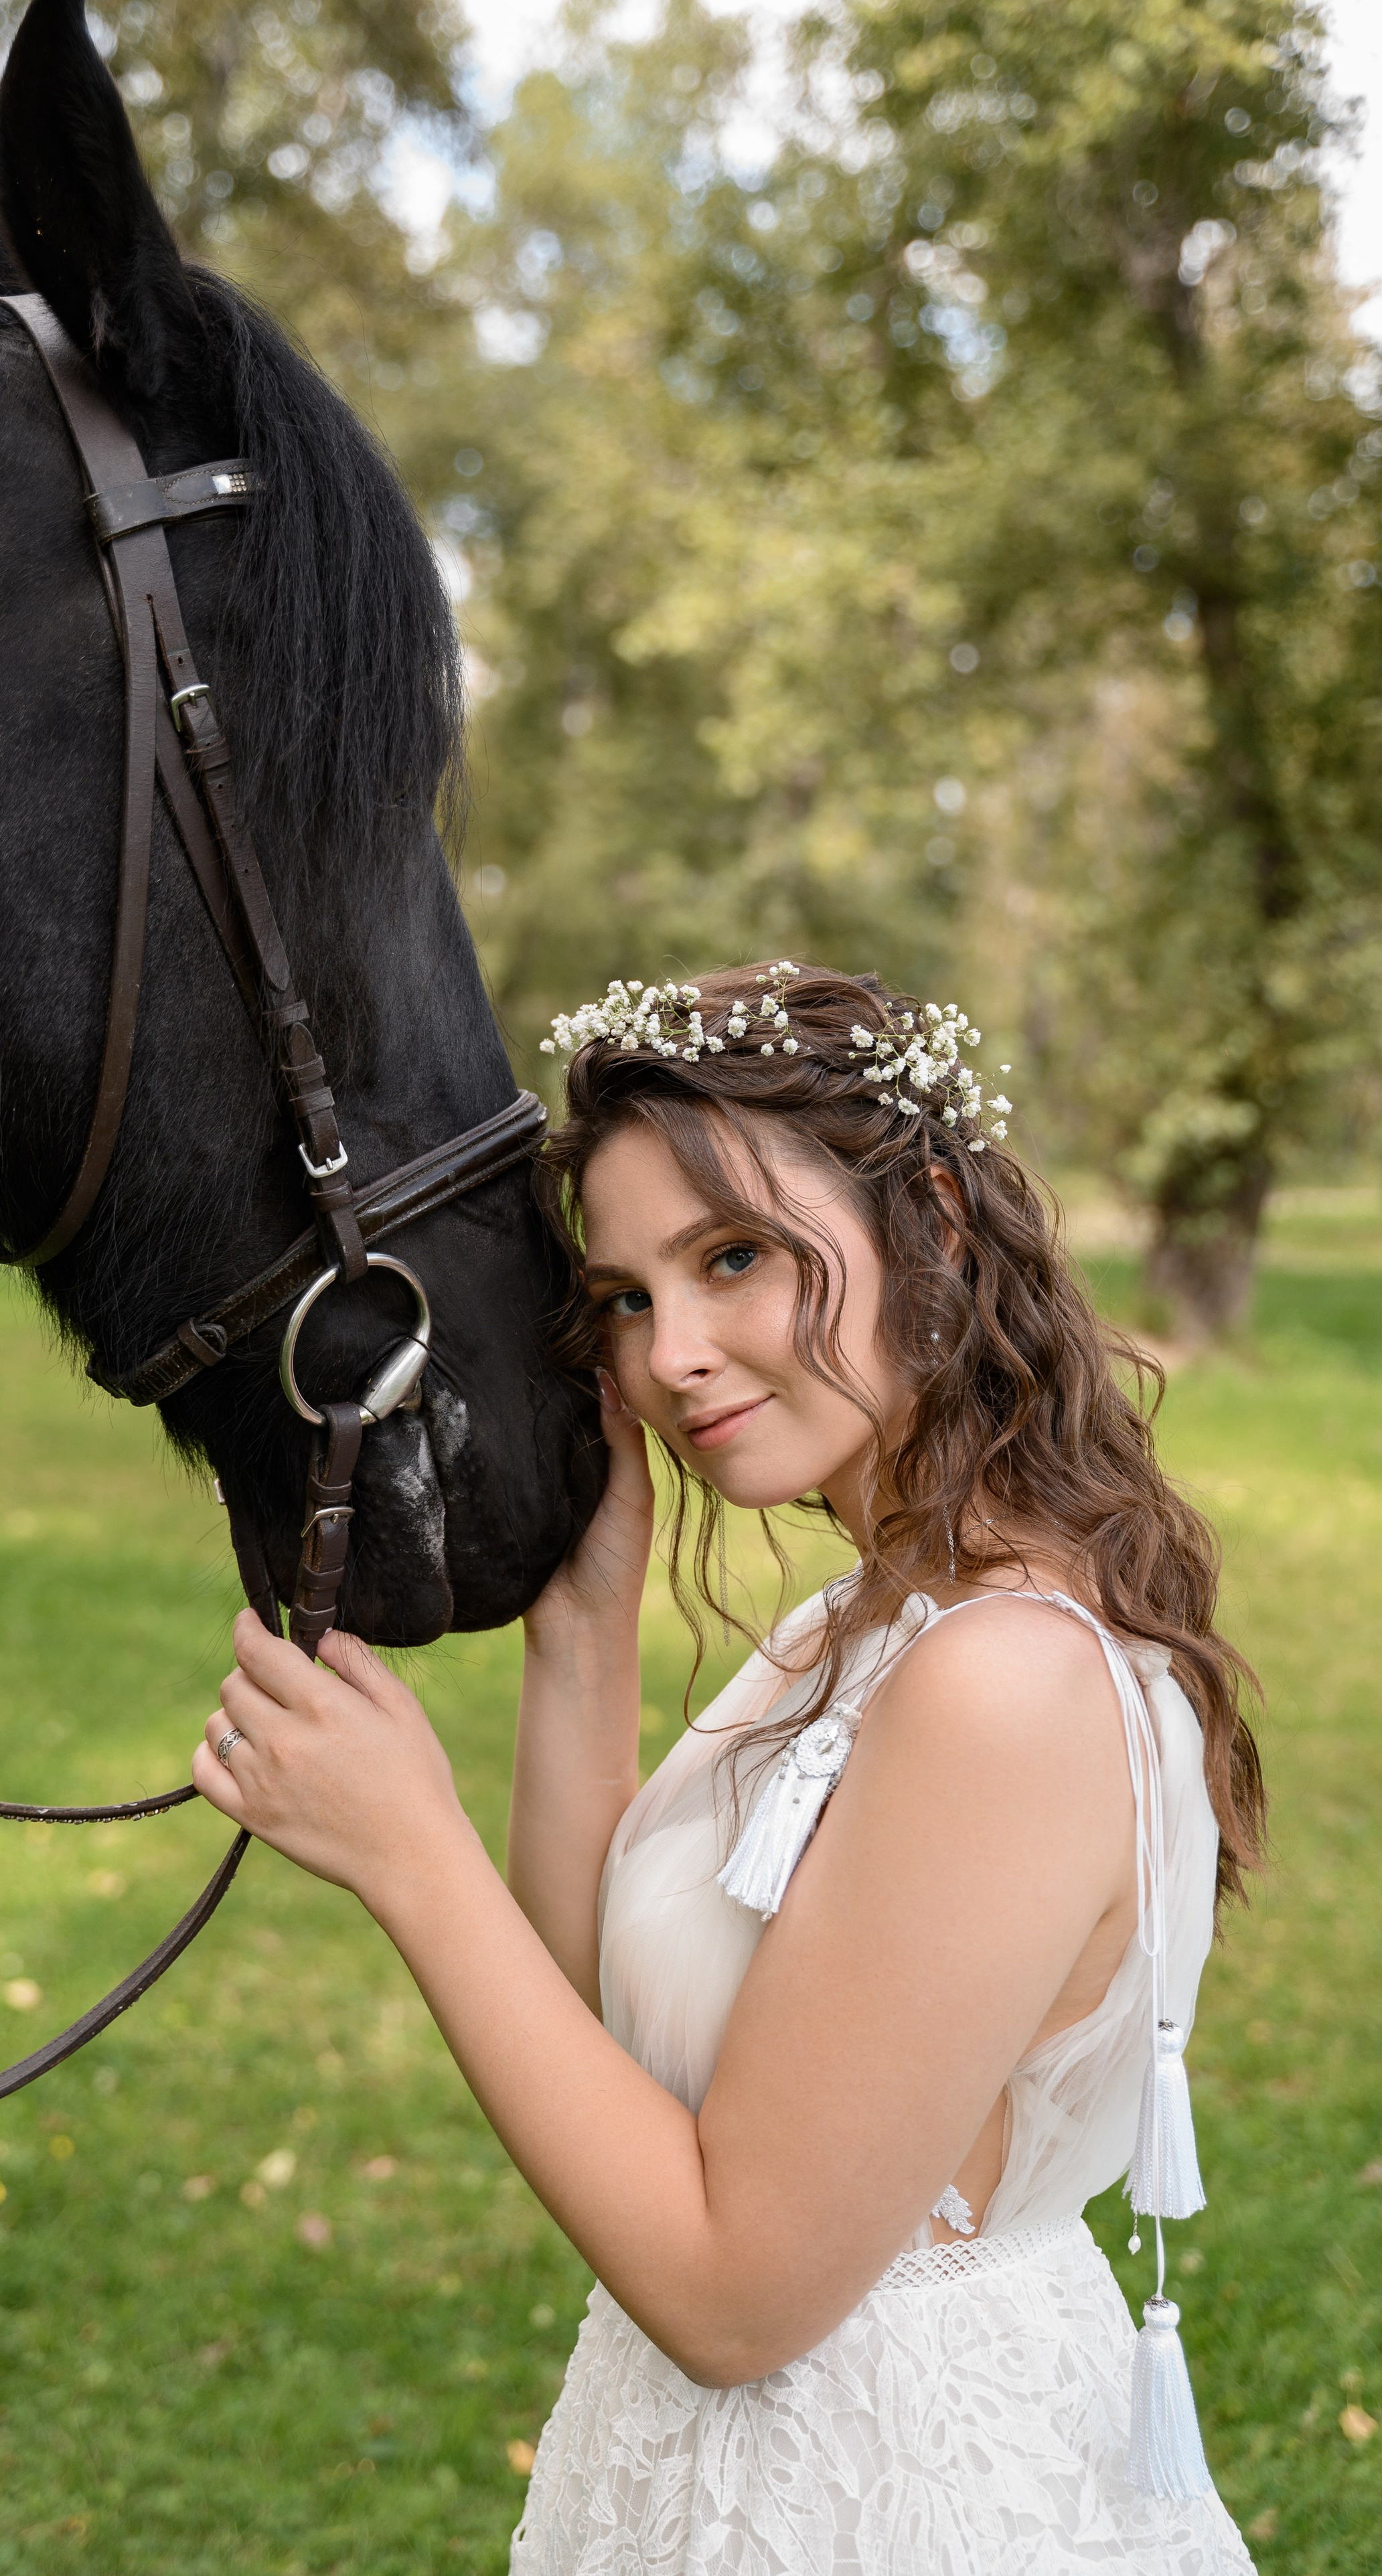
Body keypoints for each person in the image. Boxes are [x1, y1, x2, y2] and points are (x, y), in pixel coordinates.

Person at [191, 963, 1262, 2573]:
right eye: (624, 1298)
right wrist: (585, 1627)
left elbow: (732, 2293)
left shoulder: (1004, 1686)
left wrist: (411, 1853)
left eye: (734, 1258)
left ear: (939, 1232)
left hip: (890, 2503)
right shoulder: (870, 1617)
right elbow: (610, 2033)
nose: (669, 1354)